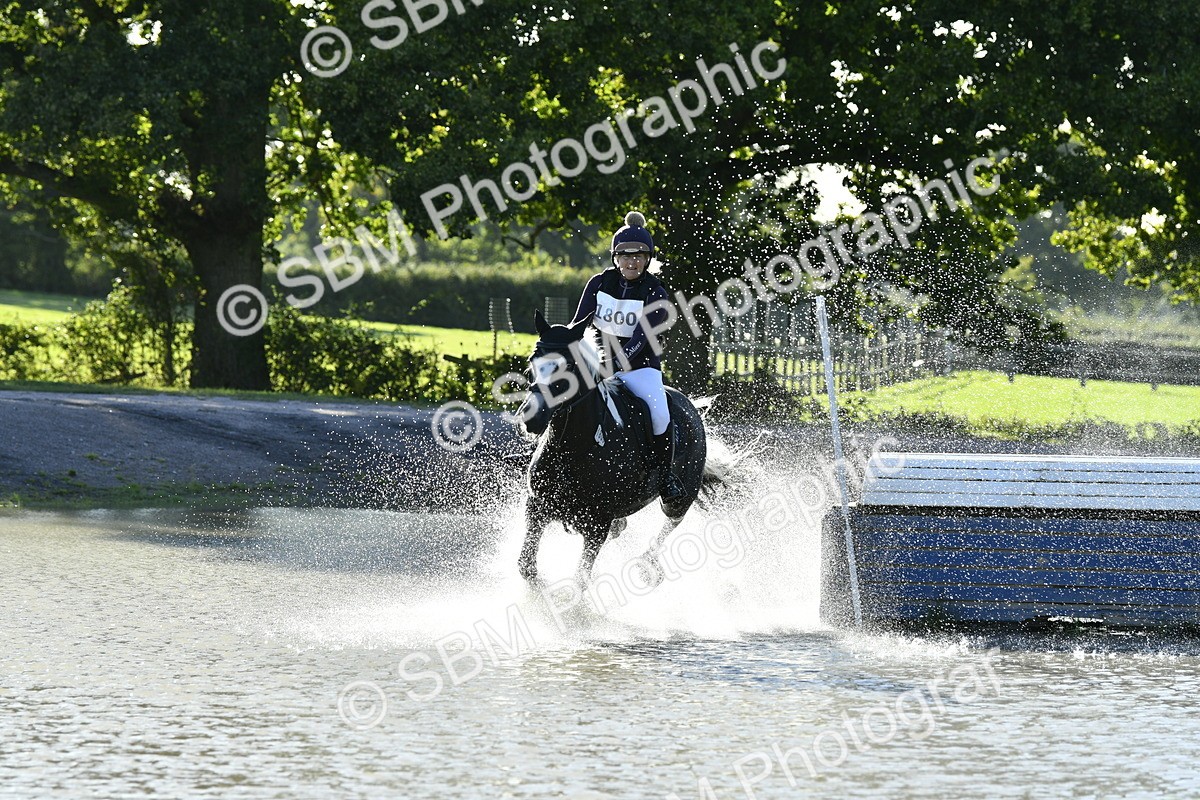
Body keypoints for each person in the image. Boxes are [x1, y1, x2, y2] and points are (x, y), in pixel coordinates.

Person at [571, 210, 684, 500]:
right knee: (558, 394)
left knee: (659, 414)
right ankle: (534, 454)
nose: (632, 262)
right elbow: (579, 323)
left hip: (640, 367)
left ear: (648, 259)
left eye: (639, 256)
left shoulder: (655, 291)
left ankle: (665, 478)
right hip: (598, 362)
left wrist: (614, 364)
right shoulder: (599, 283)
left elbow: (642, 338)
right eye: (625, 256)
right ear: (615, 258)